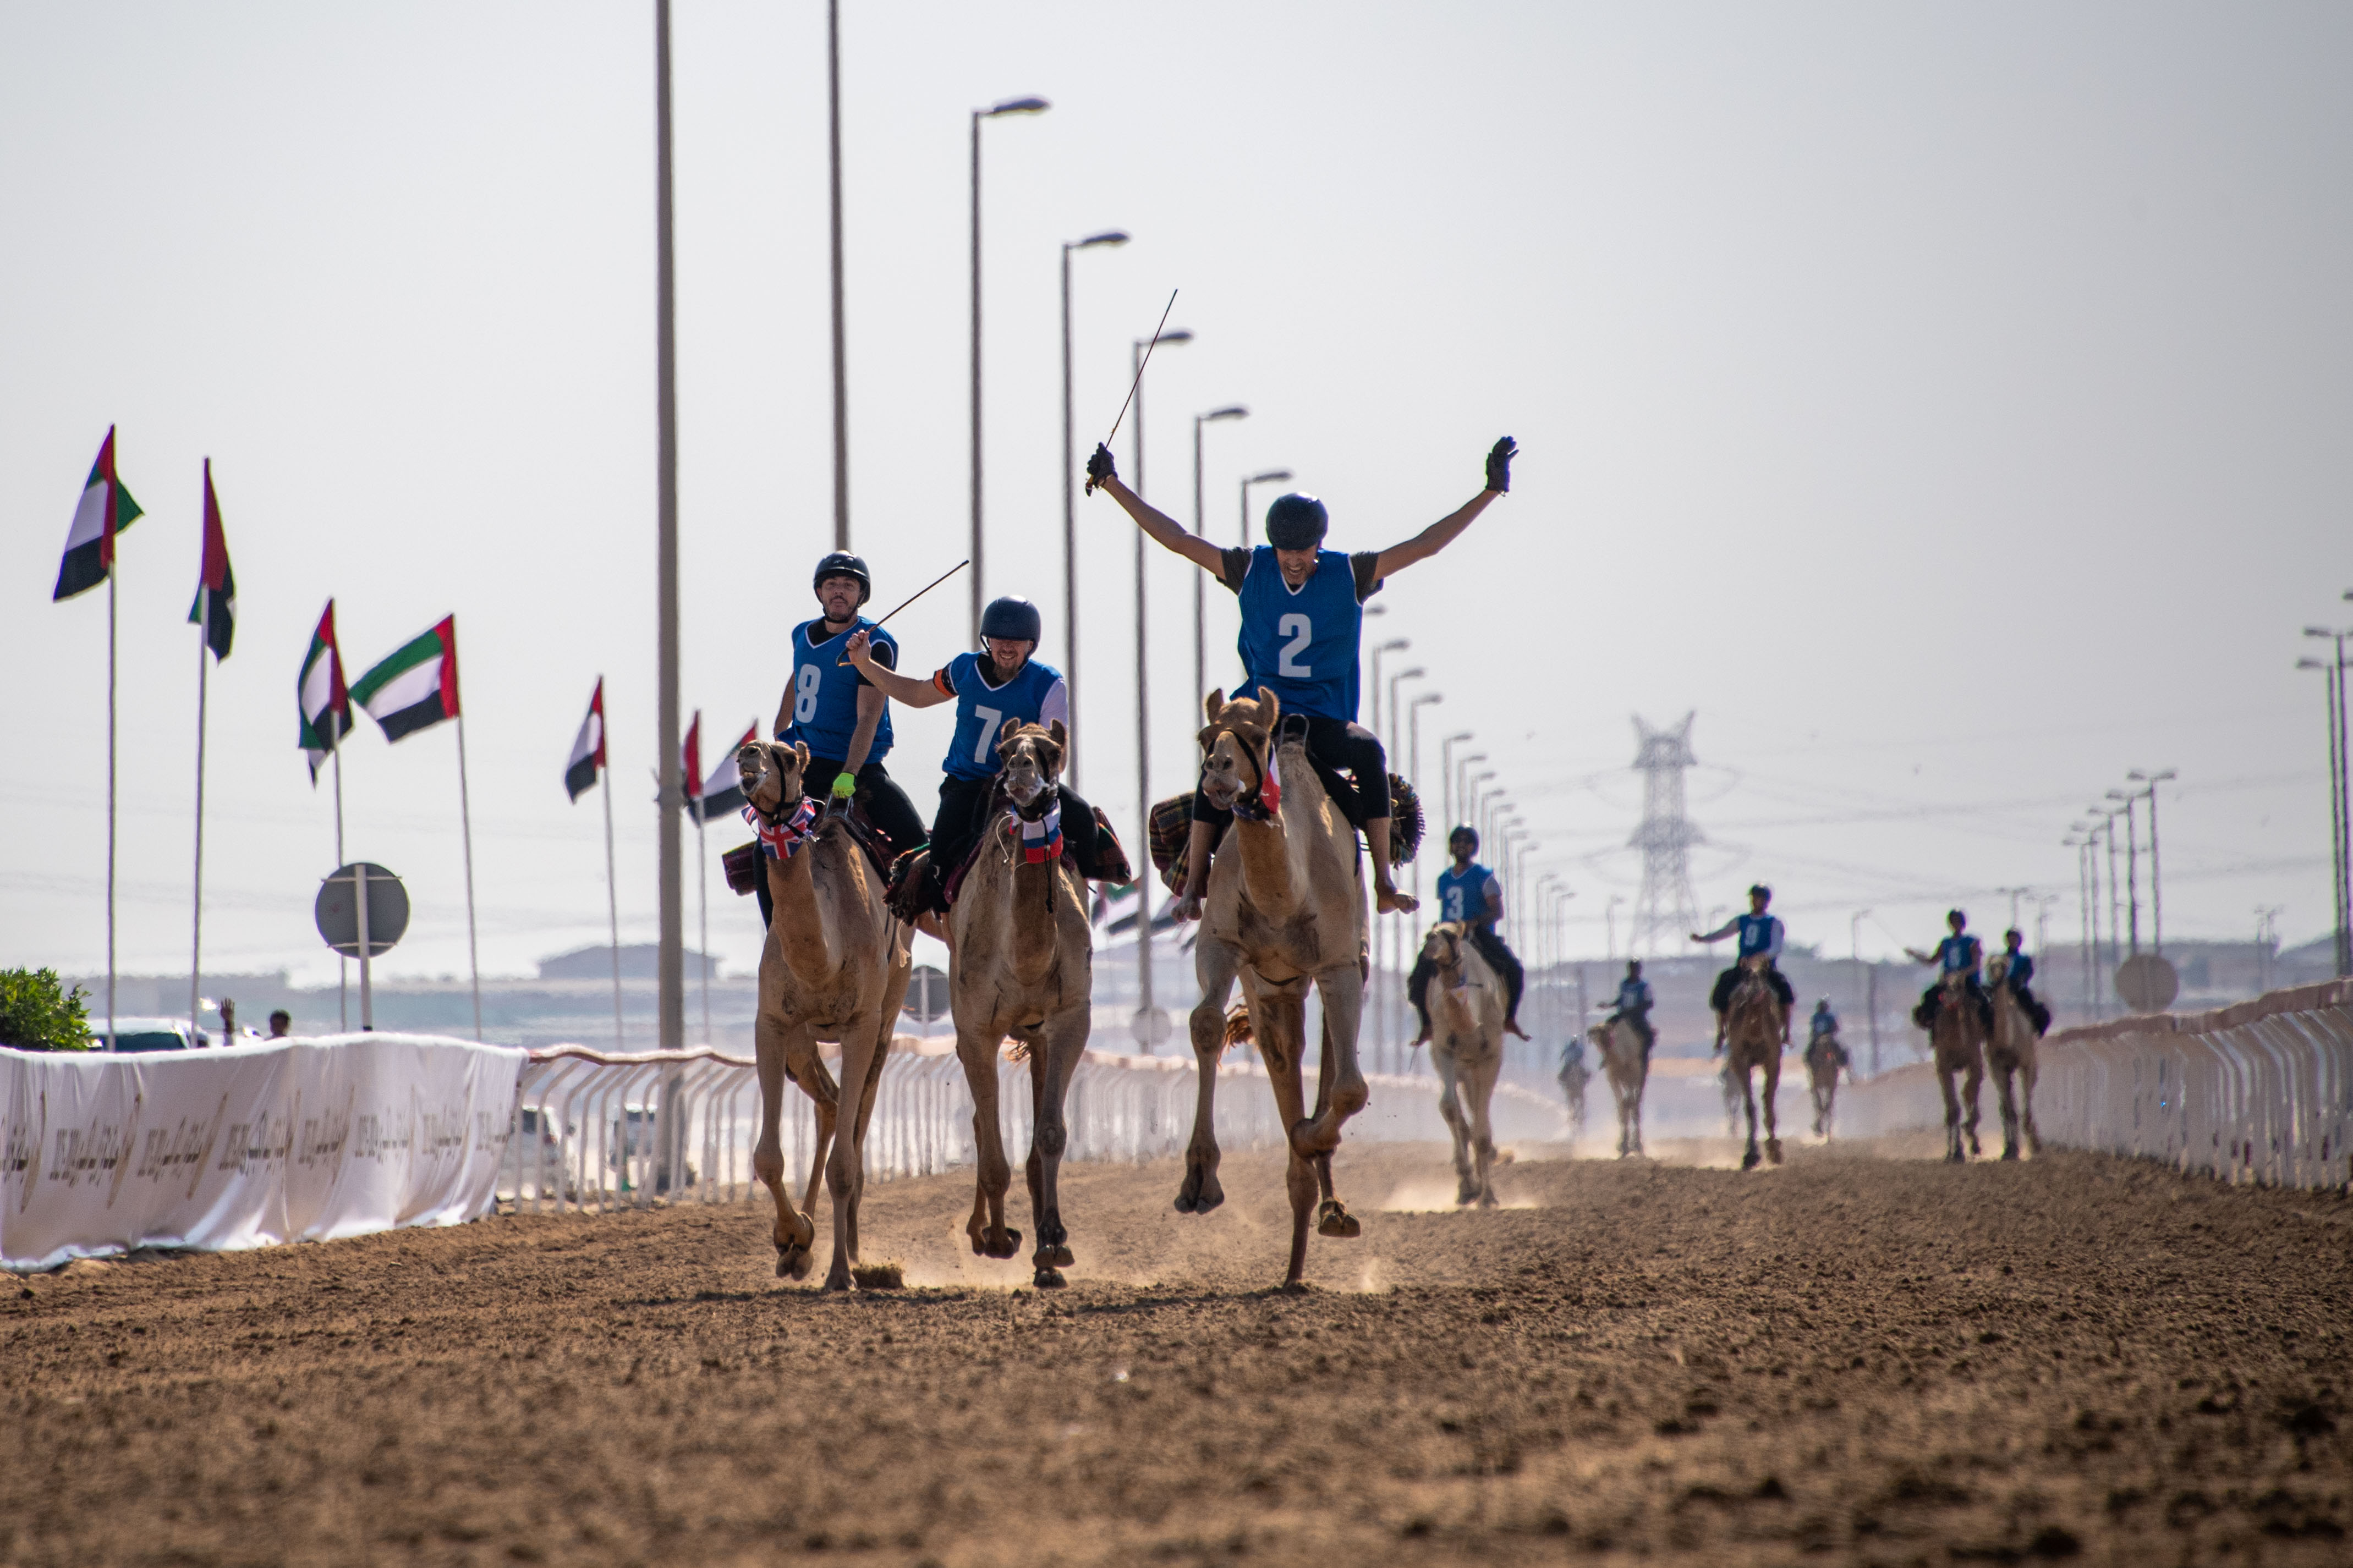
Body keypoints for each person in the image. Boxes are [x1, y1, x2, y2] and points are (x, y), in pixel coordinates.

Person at [1088, 435, 1517, 920]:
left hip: (1324, 721)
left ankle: (1382, 880)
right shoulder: (1248, 568)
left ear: (1320, 545)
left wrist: (1488, 492)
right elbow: (1179, 540)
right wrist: (1112, 484)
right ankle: (1193, 885)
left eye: (1303, 551)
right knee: (1219, 756)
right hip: (1264, 719)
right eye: (1285, 550)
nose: (1293, 560)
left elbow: (1424, 546)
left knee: (1370, 751)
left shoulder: (1350, 573)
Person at [846, 596, 1120, 918]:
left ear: (1031, 645)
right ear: (987, 641)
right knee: (938, 860)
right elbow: (918, 695)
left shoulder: (1049, 684)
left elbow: (1057, 761)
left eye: (1016, 641)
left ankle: (1078, 907)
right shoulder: (964, 668)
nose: (1006, 647)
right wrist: (864, 663)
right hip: (966, 785)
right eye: (999, 639)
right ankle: (948, 922)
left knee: (1085, 819)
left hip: (1025, 786)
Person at [755, 553, 930, 930]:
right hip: (806, 765)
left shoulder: (877, 643)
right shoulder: (801, 633)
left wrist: (849, 774)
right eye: (832, 584)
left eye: (849, 586)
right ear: (819, 591)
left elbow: (868, 715)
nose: (839, 592)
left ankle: (916, 928)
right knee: (765, 848)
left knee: (919, 847)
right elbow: (800, 672)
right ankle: (777, 934)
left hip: (859, 769)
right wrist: (780, 723)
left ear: (860, 595)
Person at [1406, 825, 1529, 1041]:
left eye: (1467, 841)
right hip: (1448, 935)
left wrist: (1474, 923)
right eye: (1457, 841)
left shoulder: (1484, 876)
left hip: (1478, 933)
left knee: (1514, 969)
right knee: (1419, 974)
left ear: (1474, 847)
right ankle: (1426, 1024)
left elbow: (1497, 911)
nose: (1461, 845)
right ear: (1451, 847)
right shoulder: (1443, 878)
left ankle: (1510, 1018)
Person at [1693, 885, 1796, 1049]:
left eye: (1759, 898)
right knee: (1722, 987)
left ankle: (1787, 1033)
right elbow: (1723, 933)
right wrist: (1703, 939)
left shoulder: (1774, 923)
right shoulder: (1742, 921)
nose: (1756, 901)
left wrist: (1760, 957)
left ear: (1766, 901)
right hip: (1743, 968)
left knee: (1785, 991)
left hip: (1766, 969)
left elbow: (1776, 947)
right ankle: (1721, 1031)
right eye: (1754, 898)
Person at [1906, 909, 1994, 1033]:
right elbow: (1932, 961)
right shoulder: (1946, 943)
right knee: (1929, 995)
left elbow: (1976, 965)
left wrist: (1961, 974)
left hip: (1967, 980)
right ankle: (1931, 1025)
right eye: (1953, 922)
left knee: (1982, 1000)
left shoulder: (1972, 942)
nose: (1955, 925)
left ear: (1963, 924)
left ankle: (1987, 1028)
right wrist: (1915, 954)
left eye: (1958, 921)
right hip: (1948, 980)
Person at [1996, 927, 2053, 1035]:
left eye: (2015, 939)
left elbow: (2027, 973)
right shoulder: (2000, 958)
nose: (2013, 941)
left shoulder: (2024, 959)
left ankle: (2035, 1030)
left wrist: (2019, 982)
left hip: (2018, 989)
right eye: (2010, 939)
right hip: (2001, 988)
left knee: (2033, 1008)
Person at [1608, 959, 1655, 1054]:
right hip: (1623, 1015)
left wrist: (1636, 1010)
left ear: (1640, 970)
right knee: (1605, 1030)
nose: (1634, 971)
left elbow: (1650, 1003)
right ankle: (1608, 1056)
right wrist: (1609, 1005)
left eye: (1636, 969)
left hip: (1637, 1017)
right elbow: (1621, 999)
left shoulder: (1644, 986)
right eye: (1632, 969)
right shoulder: (1624, 984)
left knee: (1648, 1037)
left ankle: (1643, 1059)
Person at [1807, 999, 1849, 1068]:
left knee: (1840, 1050)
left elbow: (1835, 1027)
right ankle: (1811, 1064)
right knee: (1809, 1052)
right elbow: (1814, 1028)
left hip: (1828, 1037)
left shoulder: (1830, 1017)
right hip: (1819, 1038)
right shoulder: (1816, 1017)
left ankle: (1843, 1063)